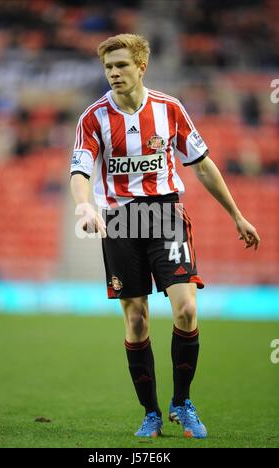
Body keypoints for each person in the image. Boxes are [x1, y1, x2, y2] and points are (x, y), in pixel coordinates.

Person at [70, 34, 260, 439]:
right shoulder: (93, 117)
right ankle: (151, 413)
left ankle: (182, 402)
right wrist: (84, 205)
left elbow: (204, 166)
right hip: (120, 220)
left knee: (186, 310)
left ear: (141, 66)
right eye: (108, 67)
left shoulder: (170, 109)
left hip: (165, 214)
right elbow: (81, 170)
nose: (114, 73)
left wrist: (237, 215)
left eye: (121, 65)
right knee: (136, 318)